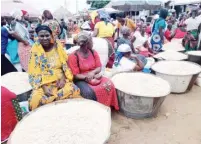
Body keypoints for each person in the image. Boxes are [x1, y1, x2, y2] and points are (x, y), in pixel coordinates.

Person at [28, 25, 81, 110]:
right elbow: (33, 72)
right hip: (43, 83)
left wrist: (63, 79)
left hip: (60, 80)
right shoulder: (35, 50)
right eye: (41, 36)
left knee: (72, 90)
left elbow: (65, 65)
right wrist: (44, 87)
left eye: (47, 35)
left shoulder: (57, 46)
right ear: (37, 37)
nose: (45, 38)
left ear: (51, 35)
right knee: (35, 100)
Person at [68, 32, 119, 110]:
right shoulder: (73, 56)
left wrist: (92, 73)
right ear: (86, 43)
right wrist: (88, 77)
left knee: (109, 84)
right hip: (80, 79)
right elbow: (75, 75)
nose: (93, 43)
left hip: (94, 75)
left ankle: (106, 107)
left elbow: (99, 67)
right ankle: (94, 110)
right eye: (91, 41)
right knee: (89, 93)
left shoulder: (93, 52)